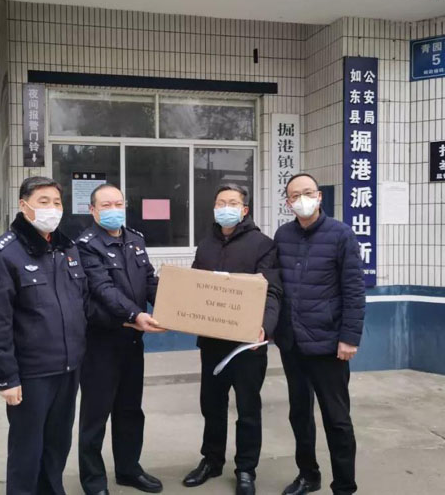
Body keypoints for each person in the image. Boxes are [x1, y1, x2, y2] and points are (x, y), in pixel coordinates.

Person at [0, 176, 90, 495]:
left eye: (57, 202)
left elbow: (81, 303)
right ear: (23, 205)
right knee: (27, 449)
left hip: (67, 368)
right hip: (31, 374)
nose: (52, 208)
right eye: (43, 201)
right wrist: (6, 378)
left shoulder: (67, 249)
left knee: (58, 444)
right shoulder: (3, 253)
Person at [182, 184, 282, 495]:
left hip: (247, 345)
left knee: (248, 409)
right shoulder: (206, 245)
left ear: (244, 210)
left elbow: (272, 291)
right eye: (221, 202)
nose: (226, 207)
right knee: (211, 405)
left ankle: (246, 469)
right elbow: (195, 288)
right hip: (212, 342)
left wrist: (265, 327)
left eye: (233, 203)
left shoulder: (262, 245)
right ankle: (211, 460)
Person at [273, 173, 365, 495]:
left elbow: (354, 290)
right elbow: (275, 287)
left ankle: (344, 485)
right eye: (295, 195)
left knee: (336, 419)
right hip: (292, 343)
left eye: (308, 193)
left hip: (328, 344)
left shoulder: (341, 234)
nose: (302, 199)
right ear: (288, 203)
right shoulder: (282, 236)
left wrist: (349, 337)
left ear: (319, 196)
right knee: (300, 414)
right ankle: (308, 475)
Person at [77, 183, 165, 495]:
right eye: (106, 205)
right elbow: (102, 289)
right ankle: (93, 481)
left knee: (130, 411)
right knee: (96, 415)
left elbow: (149, 280)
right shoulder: (86, 246)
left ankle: (128, 469)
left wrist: (175, 304)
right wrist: (135, 314)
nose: (114, 210)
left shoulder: (135, 240)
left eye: (118, 204)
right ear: (92, 210)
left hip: (132, 343)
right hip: (101, 344)